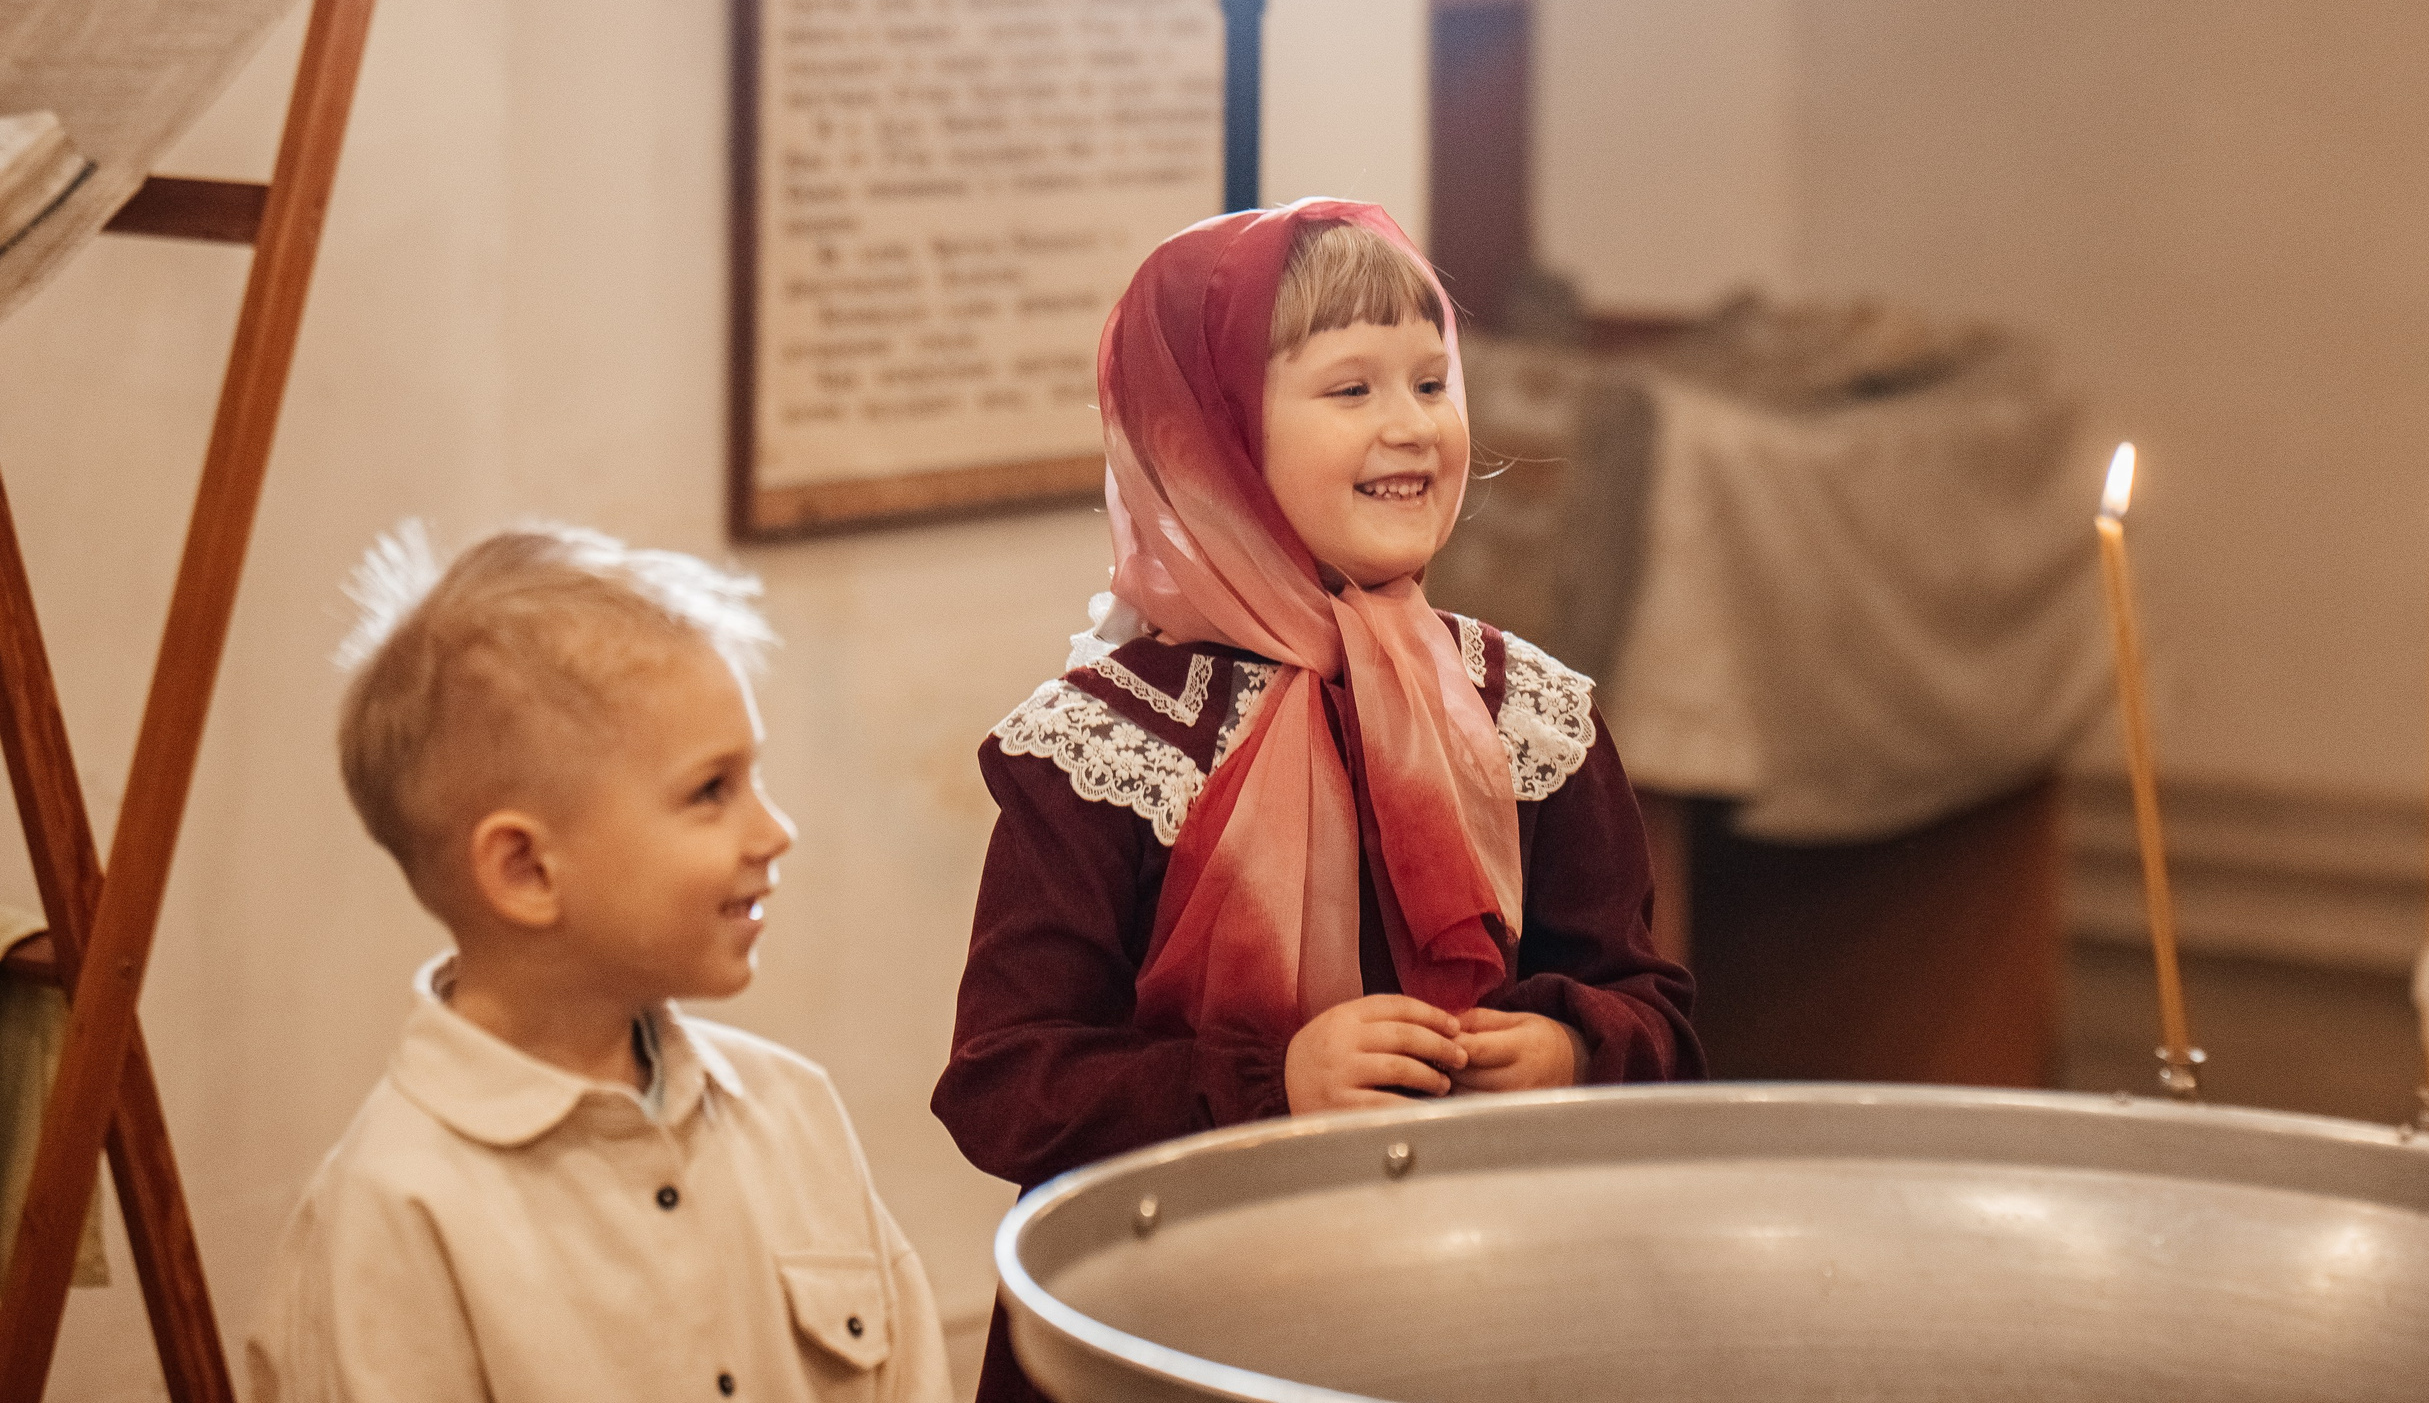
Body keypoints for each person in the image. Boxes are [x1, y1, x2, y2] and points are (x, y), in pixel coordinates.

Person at [934, 200, 1702, 1402]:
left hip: (1465, 1312)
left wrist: (1565, 1047)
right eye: (1349, 390)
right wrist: (1269, 1084)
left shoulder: (1526, 715)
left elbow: (1654, 1007)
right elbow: (1007, 1083)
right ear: (1207, 444)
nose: (1410, 425)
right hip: (1167, 1329)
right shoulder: (1107, 742)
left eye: (1432, 379)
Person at [249, 524, 951, 1403]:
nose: (775, 832)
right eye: (711, 790)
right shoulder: (394, 1214)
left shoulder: (794, 1112)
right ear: (527, 870)